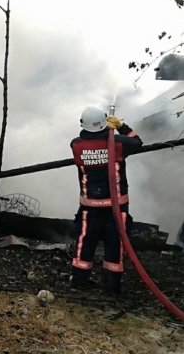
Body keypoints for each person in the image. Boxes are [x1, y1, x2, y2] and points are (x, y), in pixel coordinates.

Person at [69, 106, 143, 294]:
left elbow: (90, 141)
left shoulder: (76, 145)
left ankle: (79, 280)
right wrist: (120, 126)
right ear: (104, 123)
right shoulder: (117, 144)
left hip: (89, 208)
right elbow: (137, 142)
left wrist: (105, 131)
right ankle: (112, 285)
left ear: (82, 124)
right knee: (115, 244)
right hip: (116, 208)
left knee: (85, 242)